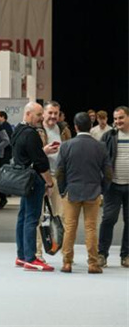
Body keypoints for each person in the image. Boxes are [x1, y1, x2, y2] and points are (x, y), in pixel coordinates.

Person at [56, 112, 112, 274]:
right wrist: (102, 189)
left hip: (72, 191)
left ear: (75, 127)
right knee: (91, 228)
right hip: (93, 192)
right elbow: (108, 173)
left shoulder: (66, 146)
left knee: (70, 227)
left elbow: (59, 172)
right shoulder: (100, 146)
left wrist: (63, 190)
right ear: (91, 125)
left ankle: (67, 262)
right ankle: (93, 263)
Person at [13, 102, 57, 271]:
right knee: (32, 218)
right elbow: (40, 162)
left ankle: (22, 255)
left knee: (23, 217)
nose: (41, 118)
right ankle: (31, 258)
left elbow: (26, 155)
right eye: (39, 115)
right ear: (28, 113)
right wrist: (49, 182)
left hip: (22, 179)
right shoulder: (31, 134)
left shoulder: (17, 130)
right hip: (33, 180)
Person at [34, 100, 70, 261]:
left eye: (56, 113)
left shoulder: (64, 131)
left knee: (62, 216)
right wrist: (44, 151)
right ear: (44, 114)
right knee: (38, 217)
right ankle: (37, 253)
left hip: (59, 178)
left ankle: (65, 253)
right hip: (40, 177)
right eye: (50, 113)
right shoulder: (37, 131)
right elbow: (32, 155)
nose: (53, 116)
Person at [98, 106, 129, 269]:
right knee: (108, 219)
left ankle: (126, 255)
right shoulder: (108, 136)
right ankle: (102, 254)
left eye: (121, 118)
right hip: (113, 186)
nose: (117, 121)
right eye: (115, 118)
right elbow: (100, 160)